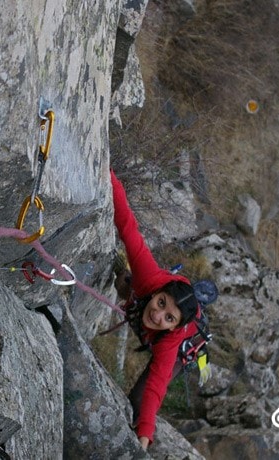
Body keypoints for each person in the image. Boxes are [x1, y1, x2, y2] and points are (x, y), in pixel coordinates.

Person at [110, 169, 201, 449]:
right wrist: (107, 173)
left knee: (138, 400)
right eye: (161, 303)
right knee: (125, 282)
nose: (157, 315)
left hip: (180, 351)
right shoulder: (150, 278)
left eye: (168, 317)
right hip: (143, 295)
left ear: (176, 326)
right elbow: (128, 226)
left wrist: (144, 435)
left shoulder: (172, 339)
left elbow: (156, 387)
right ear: (159, 292)